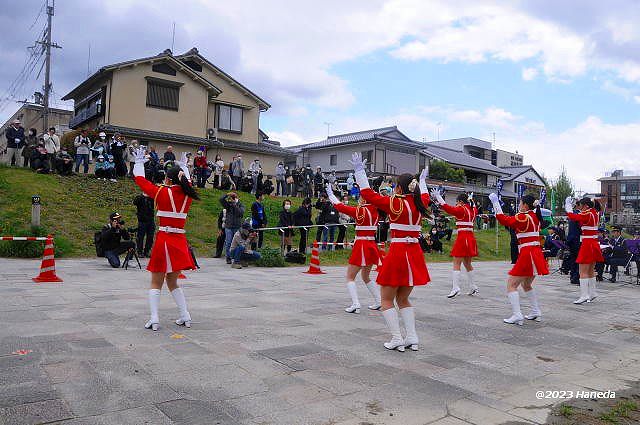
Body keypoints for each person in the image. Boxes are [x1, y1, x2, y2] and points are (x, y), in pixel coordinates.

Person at [351, 152, 431, 352]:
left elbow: (369, 194)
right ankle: (412, 337)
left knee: (386, 298)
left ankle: (397, 338)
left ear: (399, 187)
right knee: (403, 298)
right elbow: (426, 195)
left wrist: (360, 172)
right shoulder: (420, 203)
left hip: (398, 253)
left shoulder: (395, 203)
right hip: (414, 255)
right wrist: (423, 181)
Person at [132, 149, 198, 331]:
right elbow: (188, 181)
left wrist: (138, 163)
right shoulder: (188, 194)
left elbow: (141, 181)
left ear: (168, 180)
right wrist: (184, 166)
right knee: (173, 281)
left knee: (156, 282)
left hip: (164, 240)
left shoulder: (162, 192)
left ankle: (154, 318)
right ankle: (185, 315)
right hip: (179, 241)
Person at [489, 193, 548, 325]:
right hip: (536, 253)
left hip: (527, 253)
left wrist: (496, 203)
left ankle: (517, 314)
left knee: (511, 284)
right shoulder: (535, 216)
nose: (519, 205)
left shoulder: (523, 217)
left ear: (525, 205)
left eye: (520, 203)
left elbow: (504, 220)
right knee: (526, 284)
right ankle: (535, 311)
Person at [326, 183, 382, 313]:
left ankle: (356, 303)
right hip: (371, 244)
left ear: (363, 199)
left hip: (361, 244)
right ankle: (379, 300)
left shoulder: (360, 210)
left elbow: (341, 207)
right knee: (366, 276)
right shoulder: (376, 210)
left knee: (350, 277)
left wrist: (331, 195)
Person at [429, 189, 479, 298]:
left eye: (457, 202)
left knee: (456, 263)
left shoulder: (461, 209)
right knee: (467, 263)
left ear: (460, 202)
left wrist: (438, 197)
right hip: (470, 237)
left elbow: (447, 208)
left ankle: (456, 287)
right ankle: (473, 286)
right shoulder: (471, 210)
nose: (456, 204)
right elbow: (475, 208)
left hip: (463, 237)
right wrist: (471, 199)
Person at [565, 197, 604, 304]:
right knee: (591, 270)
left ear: (586, 206)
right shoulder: (595, 213)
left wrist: (568, 206)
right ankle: (592, 292)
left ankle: (584, 295)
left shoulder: (587, 213)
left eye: (580, 205)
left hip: (587, 244)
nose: (579, 207)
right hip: (594, 243)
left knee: (582, 271)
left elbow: (573, 216)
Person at [220, 192, 245, 264]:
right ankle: (228, 257)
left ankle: (236, 257)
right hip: (228, 227)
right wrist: (227, 194)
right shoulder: (228, 204)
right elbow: (221, 200)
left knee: (238, 243)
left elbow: (240, 213)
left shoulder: (241, 205)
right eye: (232, 197)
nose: (233, 199)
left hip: (237, 227)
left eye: (234, 197)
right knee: (228, 242)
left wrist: (234, 204)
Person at [133, 191, 155, 257]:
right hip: (142, 221)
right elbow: (135, 202)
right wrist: (143, 196)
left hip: (151, 220)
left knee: (150, 237)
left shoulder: (151, 198)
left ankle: (147, 251)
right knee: (140, 237)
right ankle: (139, 251)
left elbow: (155, 204)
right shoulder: (140, 198)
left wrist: (150, 196)